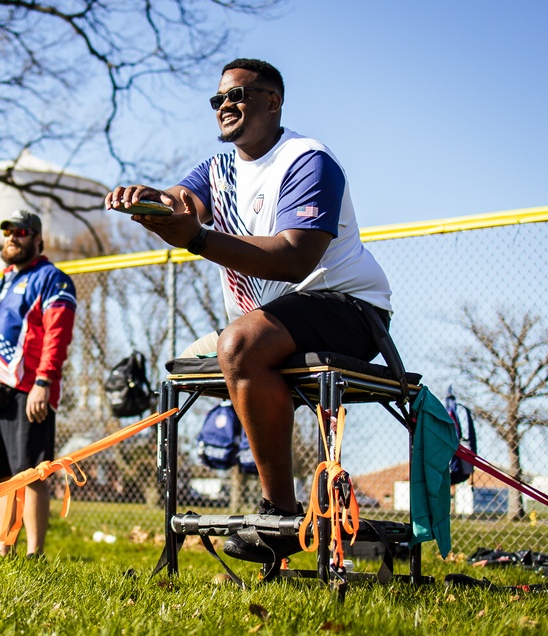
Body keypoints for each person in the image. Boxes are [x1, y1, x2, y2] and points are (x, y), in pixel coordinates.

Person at [105, 58, 392, 563]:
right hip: (282, 317)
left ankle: (279, 515)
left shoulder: (307, 159)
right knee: (189, 366)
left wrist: (194, 238)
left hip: (349, 307)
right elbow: (182, 201)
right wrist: (152, 201)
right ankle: (180, 535)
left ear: (272, 101)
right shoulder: (217, 169)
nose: (225, 106)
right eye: (217, 100)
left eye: (236, 95)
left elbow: (294, 257)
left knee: (238, 344)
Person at [0, 210, 77, 557]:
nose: (13, 237)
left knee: (32, 474)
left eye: (22, 232)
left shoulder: (52, 278)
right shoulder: (3, 282)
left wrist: (44, 381)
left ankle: (34, 554)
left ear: (37, 239)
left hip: (30, 390)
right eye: (8, 231)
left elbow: (58, 332)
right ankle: (4, 551)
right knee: (0, 477)